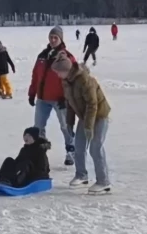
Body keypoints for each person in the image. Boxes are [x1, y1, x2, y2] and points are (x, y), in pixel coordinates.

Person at [51, 52, 112, 194]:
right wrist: (70, 123)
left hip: (100, 115)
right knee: (78, 145)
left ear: (66, 70)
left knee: (95, 148)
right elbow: (70, 103)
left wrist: (89, 127)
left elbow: (93, 104)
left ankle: (104, 181)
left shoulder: (85, 80)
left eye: (58, 72)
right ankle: (81, 175)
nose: (57, 75)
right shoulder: (66, 81)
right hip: (85, 116)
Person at [27, 26, 76, 167]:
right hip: (43, 98)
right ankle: (39, 152)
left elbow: (72, 79)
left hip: (60, 99)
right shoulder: (42, 56)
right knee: (38, 127)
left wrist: (67, 98)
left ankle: (71, 150)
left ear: (61, 39)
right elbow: (36, 75)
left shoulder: (67, 57)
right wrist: (32, 93)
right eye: (51, 37)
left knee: (65, 126)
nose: (53, 40)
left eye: (56, 37)